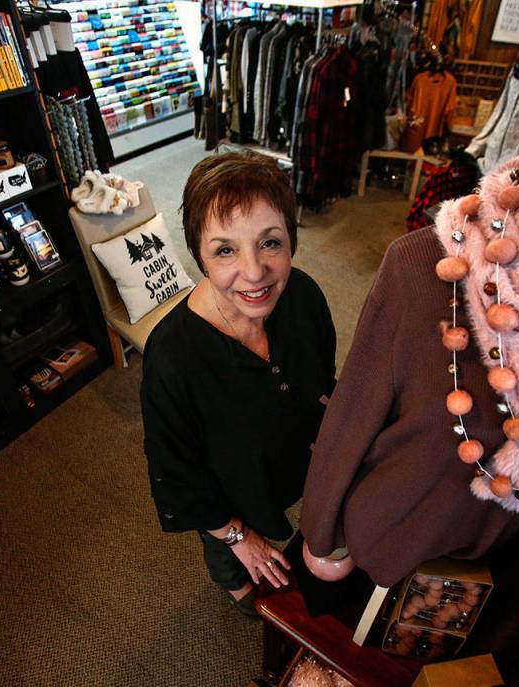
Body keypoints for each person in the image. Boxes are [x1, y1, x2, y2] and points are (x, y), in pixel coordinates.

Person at [140, 151, 337, 616]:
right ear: (199, 256)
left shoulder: (304, 296)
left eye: (270, 243)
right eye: (225, 250)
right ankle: (230, 578)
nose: (253, 272)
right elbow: (178, 477)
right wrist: (239, 538)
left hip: (283, 461)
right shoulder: (173, 358)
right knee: (235, 567)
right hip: (224, 495)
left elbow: (322, 383)